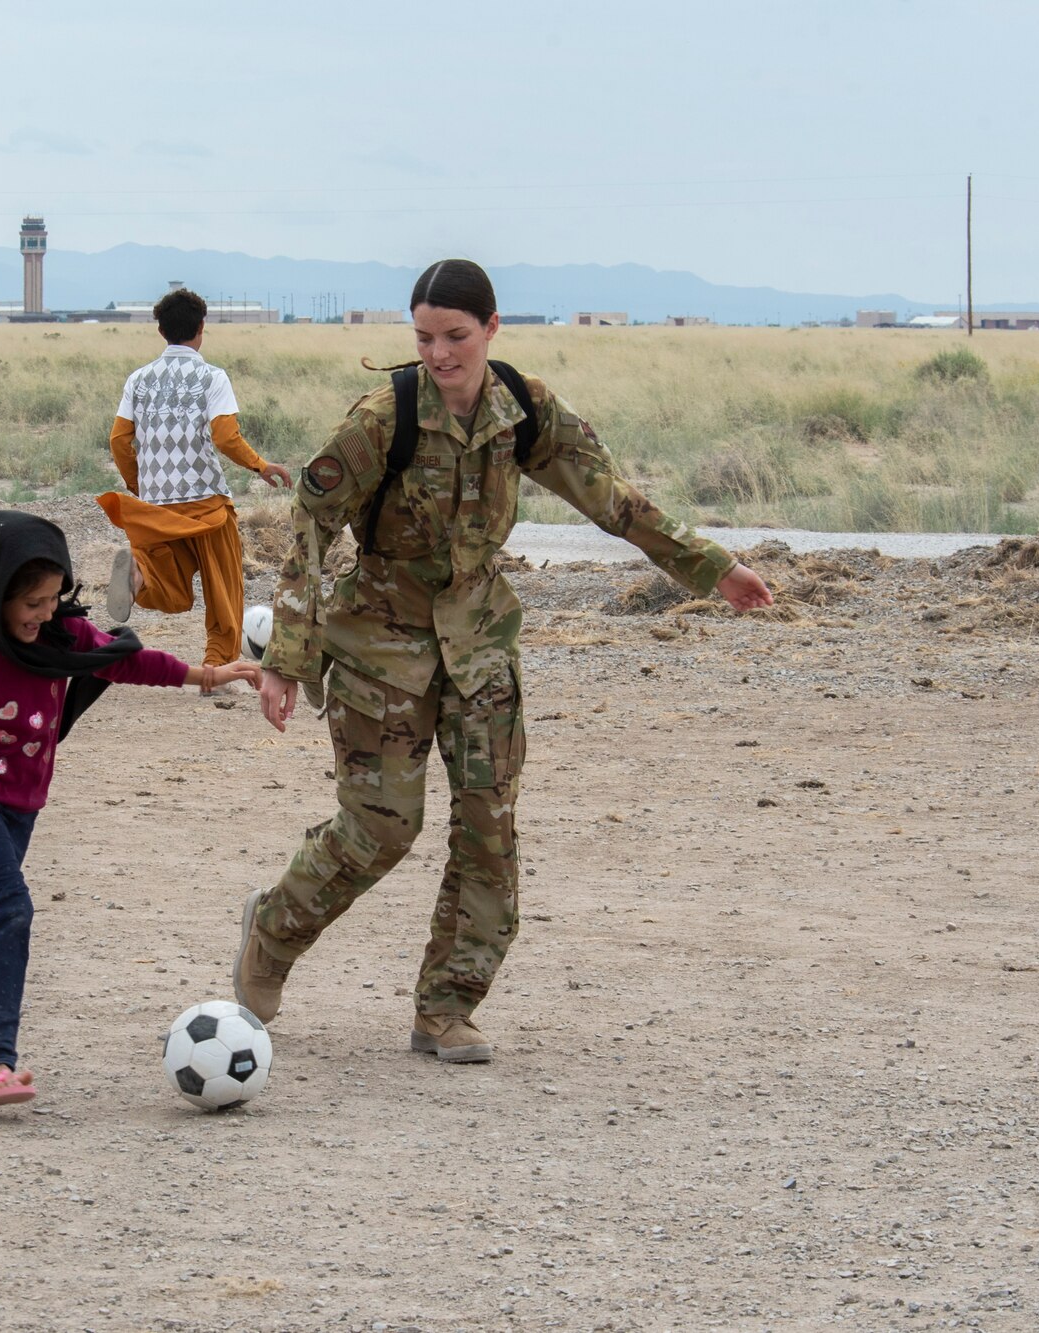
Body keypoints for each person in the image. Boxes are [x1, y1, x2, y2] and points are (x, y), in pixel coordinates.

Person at [235, 260, 773, 1063]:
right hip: (381, 644)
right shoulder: (385, 418)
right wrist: (286, 656)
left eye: (455, 336)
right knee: (381, 829)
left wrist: (709, 567)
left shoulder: (524, 410)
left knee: (490, 830)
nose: (440, 353)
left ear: (492, 327)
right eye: (423, 337)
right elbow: (311, 527)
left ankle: (446, 1007)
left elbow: (612, 498)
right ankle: (273, 933)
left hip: (480, 645)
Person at [0, 510, 261, 1105]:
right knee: (10, 907)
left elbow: (125, 662)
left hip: (23, 805)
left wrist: (209, 676)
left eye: (51, 600)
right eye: (31, 604)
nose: (44, 615)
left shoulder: (61, 636)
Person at [97, 286, 292, 686]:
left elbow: (119, 440)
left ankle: (136, 579)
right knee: (225, 591)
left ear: (161, 331)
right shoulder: (212, 377)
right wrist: (260, 465)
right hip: (206, 503)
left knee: (169, 587)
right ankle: (215, 668)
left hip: (156, 507)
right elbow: (224, 436)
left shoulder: (138, 380)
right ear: (201, 328)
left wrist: (141, 485)